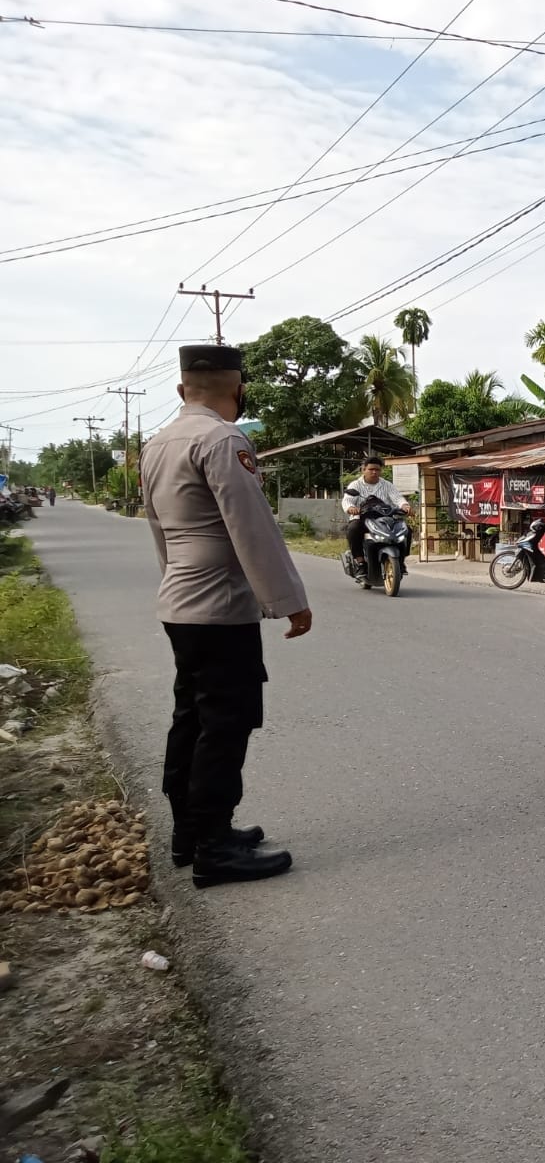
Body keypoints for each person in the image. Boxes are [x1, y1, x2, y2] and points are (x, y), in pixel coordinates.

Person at [140, 343, 313, 889]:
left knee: (191, 716)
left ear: (180, 389)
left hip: (181, 601)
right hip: (218, 606)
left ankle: (189, 834)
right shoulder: (223, 438)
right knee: (226, 722)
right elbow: (251, 528)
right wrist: (289, 600)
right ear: (238, 390)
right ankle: (215, 847)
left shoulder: (157, 443)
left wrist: (174, 578)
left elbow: (158, 529)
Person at [342, 456, 413, 577]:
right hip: (362, 519)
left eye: (377, 470)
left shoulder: (387, 485)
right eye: (371, 469)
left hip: (386, 519)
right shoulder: (355, 485)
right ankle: (360, 563)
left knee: (406, 530)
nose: (374, 472)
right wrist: (351, 508)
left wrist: (405, 505)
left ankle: (401, 561)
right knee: (353, 530)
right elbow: (347, 501)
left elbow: (397, 498)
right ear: (363, 470)